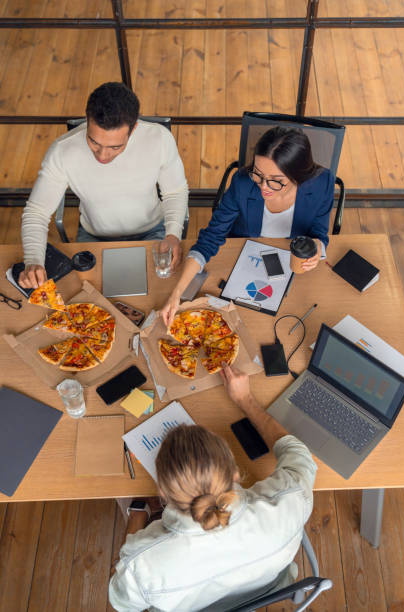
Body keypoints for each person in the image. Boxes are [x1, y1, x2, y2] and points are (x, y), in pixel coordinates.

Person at [109, 365, 317, 612]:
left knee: (123, 496)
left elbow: (122, 605)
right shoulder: (289, 501)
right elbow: (298, 454)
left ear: (162, 494)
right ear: (236, 473)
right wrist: (245, 400)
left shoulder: (140, 565)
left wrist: (137, 513)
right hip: (267, 587)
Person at [19, 82, 188, 288]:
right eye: (94, 142)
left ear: (134, 128)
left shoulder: (159, 140)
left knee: (162, 291)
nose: (102, 155)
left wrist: (173, 234)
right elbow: (37, 212)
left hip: (153, 232)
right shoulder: (63, 151)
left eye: (115, 146)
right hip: (94, 237)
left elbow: (175, 192)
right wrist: (33, 260)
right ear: (88, 120)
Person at [162, 126, 335, 326]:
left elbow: (319, 234)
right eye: (258, 174)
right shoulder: (243, 182)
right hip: (242, 256)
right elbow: (209, 239)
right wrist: (176, 294)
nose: (263, 187)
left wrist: (317, 248)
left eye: (276, 181)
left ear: (298, 176)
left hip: (293, 268)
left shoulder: (323, 183)